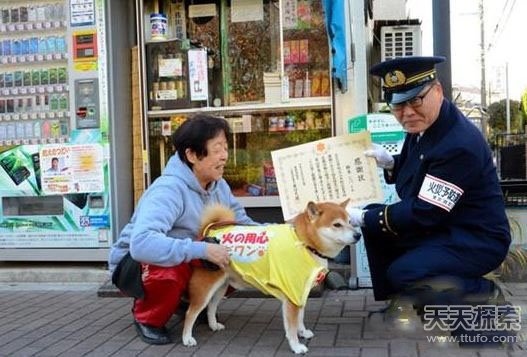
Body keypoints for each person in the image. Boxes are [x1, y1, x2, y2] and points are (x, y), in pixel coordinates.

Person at [346, 56, 511, 318]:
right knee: (378, 223)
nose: (407, 113)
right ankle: (403, 302)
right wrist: (391, 163)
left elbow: (426, 210)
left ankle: (486, 297)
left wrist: (365, 218)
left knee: (403, 269)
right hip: (445, 224)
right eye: (397, 105)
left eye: (415, 100)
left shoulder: (458, 144)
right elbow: (422, 170)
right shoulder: (427, 125)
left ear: (437, 91)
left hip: (475, 238)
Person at [108, 114, 257, 345]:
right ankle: (148, 317)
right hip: (135, 265)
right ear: (191, 155)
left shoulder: (219, 186)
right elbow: (142, 244)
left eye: (226, 148)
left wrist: (280, 236)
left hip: (186, 257)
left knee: (237, 253)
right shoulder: (168, 189)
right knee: (171, 271)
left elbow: (243, 225)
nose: (225, 156)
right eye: (217, 149)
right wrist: (203, 250)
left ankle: (186, 303)